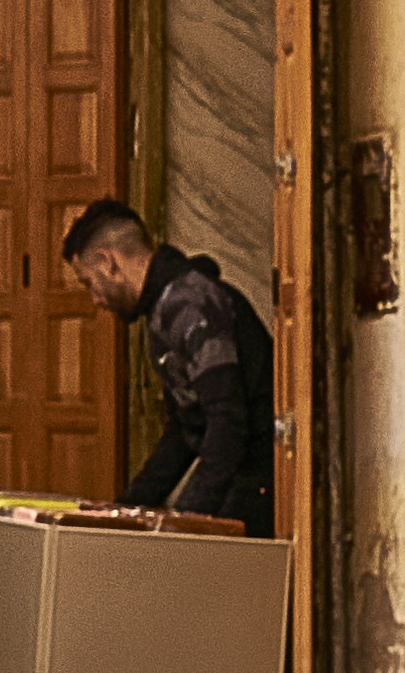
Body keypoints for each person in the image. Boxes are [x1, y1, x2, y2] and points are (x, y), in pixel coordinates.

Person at [62, 190, 276, 530]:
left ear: (108, 262)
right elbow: (185, 430)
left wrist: (186, 521)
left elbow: (227, 423)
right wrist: (123, 510)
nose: (95, 299)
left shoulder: (188, 303)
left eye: (89, 283)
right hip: (239, 477)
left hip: (258, 483)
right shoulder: (162, 309)